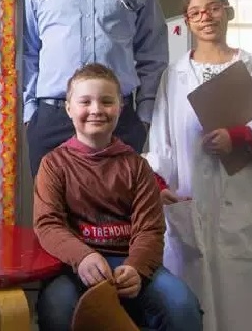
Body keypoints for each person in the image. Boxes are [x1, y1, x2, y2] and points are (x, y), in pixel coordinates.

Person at [145, 0, 252, 331]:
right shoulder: (173, 76)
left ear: (227, 11)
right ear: (187, 22)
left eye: (213, 8)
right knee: (193, 296)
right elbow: (161, 139)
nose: (205, 17)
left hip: (243, 200)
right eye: (195, 12)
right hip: (191, 201)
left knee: (246, 296)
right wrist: (160, 182)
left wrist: (241, 135)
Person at [33, 63, 202, 331]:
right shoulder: (53, 165)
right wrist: (83, 257)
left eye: (107, 101)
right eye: (85, 101)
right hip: (76, 265)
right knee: (56, 307)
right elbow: (48, 224)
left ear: (120, 108)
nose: (96, 110)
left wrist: (136, 267)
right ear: (69, 108)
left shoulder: (137, 166)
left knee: (182, 306)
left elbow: (150, 228)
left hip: (131, 263)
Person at [23, 0, 168, 178]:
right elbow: (27, 50)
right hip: (53, 117)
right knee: (54, 215)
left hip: (118, 118)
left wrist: (144, 116)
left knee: (116, 215)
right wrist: (30, 114)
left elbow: (152, 51)